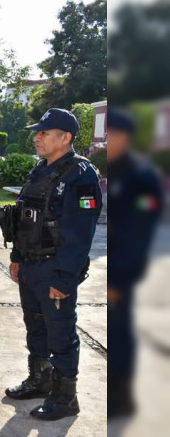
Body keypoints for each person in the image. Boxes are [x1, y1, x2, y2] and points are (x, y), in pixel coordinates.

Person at [2, 108, 102, 420]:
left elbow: (81, 232)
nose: (37, 137)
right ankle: (40, 379)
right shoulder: (39, 171)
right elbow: (24, 218)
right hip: (31, 266)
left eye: (44, 132)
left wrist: (64, 277)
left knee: (60, 333)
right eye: (38, 132)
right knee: (36, 326)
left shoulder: (81, 175)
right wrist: (17, 258)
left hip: (55, 269)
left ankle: (65, 397)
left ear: (66, 137)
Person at [106, 108, 164, 419]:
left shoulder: (141, 177)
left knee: (120, 336)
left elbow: (138, 235)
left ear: (124, 137)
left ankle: (121, 400)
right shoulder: (114, 171)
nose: (104, 140)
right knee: (115, 333)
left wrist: (117, 280)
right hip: (112, 270)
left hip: (123, 274)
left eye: (109, 135)